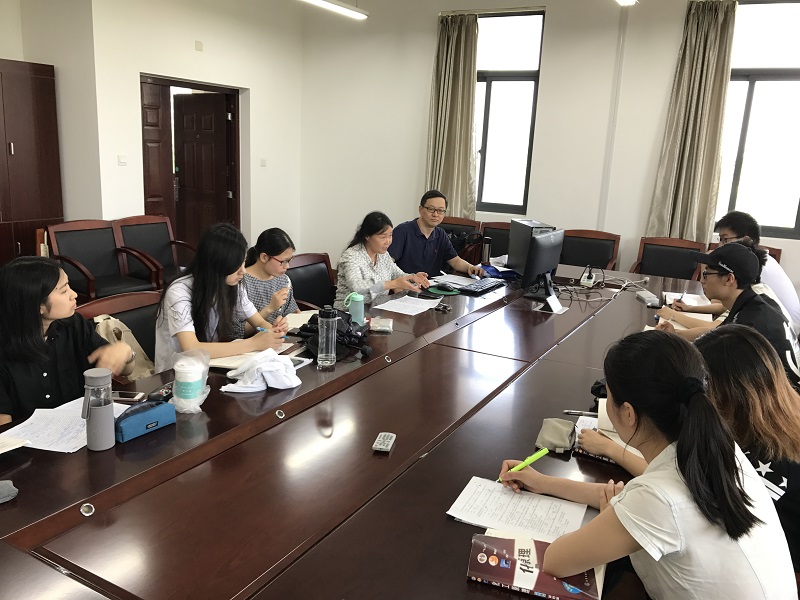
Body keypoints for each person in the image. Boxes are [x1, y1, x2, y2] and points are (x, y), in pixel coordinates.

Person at [499, 331, 795, 599]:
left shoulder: (658, 498)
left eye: (608, 396)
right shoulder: (716, 445)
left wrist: (611, 515)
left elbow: (556, 561)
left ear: (628, 413)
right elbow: (633, 496)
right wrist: (542, 482)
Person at [695, 325, 800, 573]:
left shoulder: (767, 462)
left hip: (779, 569)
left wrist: (616, 452)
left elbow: (697, 501)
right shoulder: (783, 419)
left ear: (727, 395)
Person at [0, 257, 135, 424]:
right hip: (27, 438)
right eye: (64, 291)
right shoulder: (5, 347)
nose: (74, 295)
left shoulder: (73, 324)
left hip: (82, 428)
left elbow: (126, 369)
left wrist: (124, 352)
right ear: (37, 305)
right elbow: (4, 428)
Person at [657, 240, 800, 388]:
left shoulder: (750, 324)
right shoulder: (753, 302)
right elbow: (714, 335)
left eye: (706, 274)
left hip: (774, 398)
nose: (702, 281)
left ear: (729, 279)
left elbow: (707, 363)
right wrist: (676, 335)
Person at [154, 223, 286, 373]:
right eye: (236, 265)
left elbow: (259, 322)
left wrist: (273, 331)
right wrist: (254, 343)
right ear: (217, 265)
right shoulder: (179, 292)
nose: (243, 271)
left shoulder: (232, 284)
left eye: (243, 261)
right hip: (175, 374)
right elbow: (191, 348)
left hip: (210, 367)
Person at [334, 211, 429, 309]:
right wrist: (392, 284)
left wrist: (412, 277)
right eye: (383, 237)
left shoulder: (383, 255)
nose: (388, 241)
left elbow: (398, 274)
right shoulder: (351, 256)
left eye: (390, 235)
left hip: (377, 310)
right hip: (348, 312)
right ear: (367, 236)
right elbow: (358, 287)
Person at [388, 190, 485, 277]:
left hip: (432, 286)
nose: (435, 214)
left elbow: (455, 261)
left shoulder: (440, 234)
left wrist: (470, 267)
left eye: (440, 210)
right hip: (408, 286)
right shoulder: (403, 231)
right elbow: (387, 263)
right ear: (420, 209)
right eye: (431, 209)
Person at [233, 227, 300, 339]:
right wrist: (270, 308)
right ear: (264, 257)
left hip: (276, 340)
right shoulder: (240, 281)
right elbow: (237, 333)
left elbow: (294, 313)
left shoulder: (284, 280)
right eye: (283, 261)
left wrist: (283, 324)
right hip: (248, 343)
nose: (287, 266)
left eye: (289, 260)